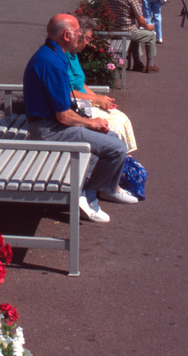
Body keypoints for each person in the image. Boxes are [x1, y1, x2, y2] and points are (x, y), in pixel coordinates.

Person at [23, 14, 134, 222]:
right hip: (48, 130)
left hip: (49, 124)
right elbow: (64, 117)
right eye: (79, 33)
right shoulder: (53, 62)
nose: (81, 36)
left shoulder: (53, 54)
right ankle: (87, 194)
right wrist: (90, 123)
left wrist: (90, 123)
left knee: (113, 138)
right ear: (67, 34)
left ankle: (103, 188)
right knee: (116, 148)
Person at [67, 18, 137, 152]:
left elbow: (81, 84)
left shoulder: (73, 55)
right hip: (75, 105)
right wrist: (96, 100)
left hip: (83, 101)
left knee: (121, 118)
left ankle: (122, 159)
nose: (88, 42)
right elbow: (68, 92)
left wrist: (99, 100)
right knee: (113, 126)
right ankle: (113, 158)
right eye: (87, 39)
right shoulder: (63, 58)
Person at [107, 0, 158, 72]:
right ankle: (150, 65)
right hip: (127, 30)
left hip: (113, 29)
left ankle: (138, 63)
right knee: (150, 35)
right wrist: (148, 27)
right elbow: (140, 18)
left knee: (137, 35)